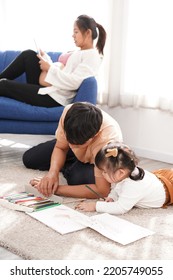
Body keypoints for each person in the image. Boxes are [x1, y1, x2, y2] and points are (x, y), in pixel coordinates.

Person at [0, 15, 106, 107]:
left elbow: (73, 82)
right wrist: (46, 59)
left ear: (88, 33)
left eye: (76, 32)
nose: (73, 35)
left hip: (54, 98)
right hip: (52, 89)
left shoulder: (92, 56)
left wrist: (49, 68)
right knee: (28, 55)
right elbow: (64, 74)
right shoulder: (80, 52)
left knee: (3, 84)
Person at [23, 102, 123, 198]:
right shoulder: (70, 114)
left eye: (78, 144)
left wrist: (55, 189)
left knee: (76, 178)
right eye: (70, 141)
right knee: (29, 159)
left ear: (94, 136)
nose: (73, 146)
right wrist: (52, 173)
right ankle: (68, 163)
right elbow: (61, 147)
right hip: (72, 145)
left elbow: (103, 191)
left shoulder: (107, 142)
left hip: (95, 160)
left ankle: (69, 166)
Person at [75, 141, 173, 214]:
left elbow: (121, 208)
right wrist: (112, 197)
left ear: (121, 173)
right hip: (158, 181)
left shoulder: (133, 186)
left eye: (104, 172)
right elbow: (117, 189)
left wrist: (95, 206)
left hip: (168, 189)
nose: (102, 174)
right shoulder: (126, 174)